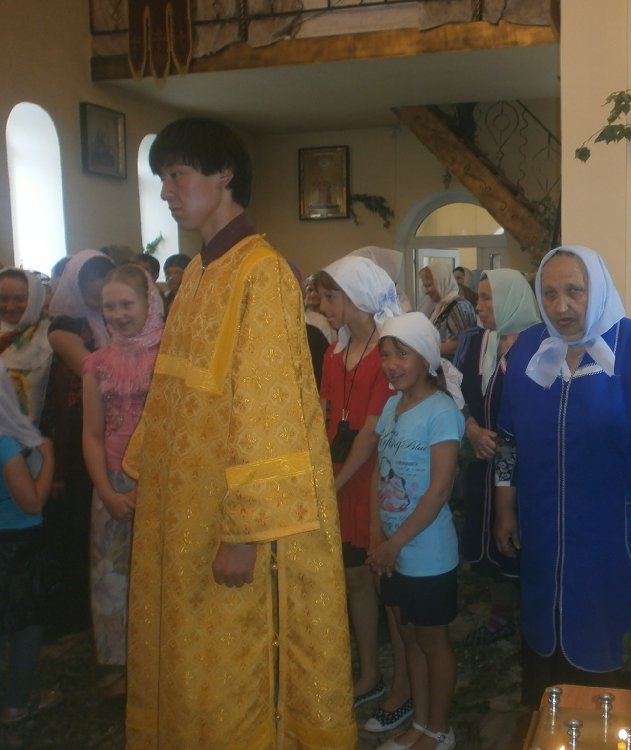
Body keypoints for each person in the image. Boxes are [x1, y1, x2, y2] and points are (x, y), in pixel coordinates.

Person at [122, 117, 355, 749]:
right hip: (184, 516)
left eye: (178, 174)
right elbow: (172, 395)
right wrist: (148, 479)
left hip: (234, 526)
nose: (167, 191)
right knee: (192, 670)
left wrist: (245, 534)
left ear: (224, 174)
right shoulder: (201, 272)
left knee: (236, 681)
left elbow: (267, 409)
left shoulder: (261, 271)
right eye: (162, 178)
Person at [493, 246, 631, 704]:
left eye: (575, 291)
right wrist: (504, 507)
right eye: (550, 293)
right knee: (545, 656)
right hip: (544, 535)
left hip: (616, 542)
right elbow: (509, 438)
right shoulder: (529, 351)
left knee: (610, 665)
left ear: (598, 289)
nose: (562, 306)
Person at [369, 312, 464, 750]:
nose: (391, 364)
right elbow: (379, 471)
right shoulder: (392, 407)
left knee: (432, 641)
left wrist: (396, 543)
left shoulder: (441, 412)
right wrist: (377, 536)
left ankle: (440, 729)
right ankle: (421, 724)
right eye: (385, 354)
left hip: (427, 553)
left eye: (401, 354)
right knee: (408, 637)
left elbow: (439, 490)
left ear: (425, 358)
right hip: (392, 549)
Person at [315, 256, 402, 721]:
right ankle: (369, 671)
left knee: (385, 582)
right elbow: (326, 410)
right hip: (338, 473)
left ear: (356, 297)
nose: (324, 306)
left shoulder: (385, 352)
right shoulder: (335, 352)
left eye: (331, 297)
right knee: (353, 578)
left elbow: (370, 431)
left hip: (368, 478)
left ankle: (403, 681)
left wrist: (335, 482)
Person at [81, 265, 163, 678]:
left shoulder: (171, 358)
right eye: (109, 306)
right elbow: (92, 434)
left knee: (160, 576)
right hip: (112, 481)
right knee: (113, 578)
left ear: (149, 303)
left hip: (163, 483)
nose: (117, 314)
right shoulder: (97, 363)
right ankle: (121, 666)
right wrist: (107, 492)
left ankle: (159, 663)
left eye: (126, 304)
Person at [455, 269, 539, 645]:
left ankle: (532, 618)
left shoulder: (538, 346)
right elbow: (458, 393)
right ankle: (500, 612)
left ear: (512, 300)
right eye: (480, 297)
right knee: (489, 535)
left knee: (520, 535)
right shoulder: (478, 342)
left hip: (523, 466)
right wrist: (472, 428)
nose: (479, 305)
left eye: (489, 297)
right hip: (483, 459)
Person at [42, 249, 115, 636]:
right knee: (80, 515)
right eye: (92, 295)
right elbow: (94, 372)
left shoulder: (111, 317)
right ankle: (79, 607)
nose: (99, 303)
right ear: (75, 288)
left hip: (110, 424)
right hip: (78, 428)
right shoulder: (63, 326)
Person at [0, 365, 61, 726]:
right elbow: (32, 502)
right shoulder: (5, 444)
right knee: (26, 621)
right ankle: (17, 704)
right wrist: (49, 457)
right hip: (17, 543)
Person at [0, 268, 53, 424]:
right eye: (3, 299)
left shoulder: (51, 336)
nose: (10, 307)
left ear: (35, 298)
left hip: (37, 433)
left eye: (19, 299)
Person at [417, 265, 476, 360]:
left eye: (429, 285)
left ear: (441, 282)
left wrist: (425, 349)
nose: (426, 291)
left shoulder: (457, 307)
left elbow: (461, 344)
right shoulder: (442, 306)